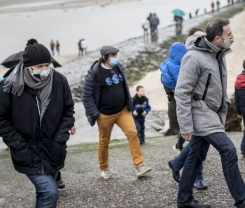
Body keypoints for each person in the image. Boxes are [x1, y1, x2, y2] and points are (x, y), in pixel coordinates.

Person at [0, 39, 74, 208]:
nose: (45, 70)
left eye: (48, 65)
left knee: (44, 194)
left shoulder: (59, 81)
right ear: (28, 67)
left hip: (53, 149)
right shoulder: (10, 84)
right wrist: (17, 143)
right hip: (26, 151)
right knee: (49, 192)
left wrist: (61, 137)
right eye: (40, 67)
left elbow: (68, 110)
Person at [175, 18, 245, 208]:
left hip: (213, 112)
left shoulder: (219, 53)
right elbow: (181, 92)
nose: (232, 37)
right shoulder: (193, 58)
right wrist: (186, 126)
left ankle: (184, 199)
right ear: (217, 39)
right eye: (228, 34)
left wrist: (225, 102)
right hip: (200, 111)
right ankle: (243, 202)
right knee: (228, 150)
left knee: (194, 155)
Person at [82, 46, 152, 179]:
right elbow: (86, 96)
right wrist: (95, 113)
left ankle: (139, 166)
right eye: (112, 55)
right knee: (104, 141)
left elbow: (124, 86)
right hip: (104, 114)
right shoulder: (94, 72)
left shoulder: (118, 67)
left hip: (122, 111)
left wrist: (129, 104)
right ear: (104, 57)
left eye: (116, 54)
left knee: (132, 133)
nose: (115, 57)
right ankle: (104, 168)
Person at [167, 28, 207, 190]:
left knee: (199, 142)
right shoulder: (184, 57)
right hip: (191, 107)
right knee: (198, 142)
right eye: (196, 35)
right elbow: (173, 85)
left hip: (203, 106)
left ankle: (177, 164)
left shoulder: (205, 53)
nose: (200, 38)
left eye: (201, 35)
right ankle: (196, 177)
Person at [159, 42, 188, 139]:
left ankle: (176, 130)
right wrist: (174, 90)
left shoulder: (166, 64)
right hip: (176, 94)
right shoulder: (178, 65)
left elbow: (164, 79)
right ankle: (176, 131)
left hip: (174, 93)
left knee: (175, 110)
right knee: (176, 111)